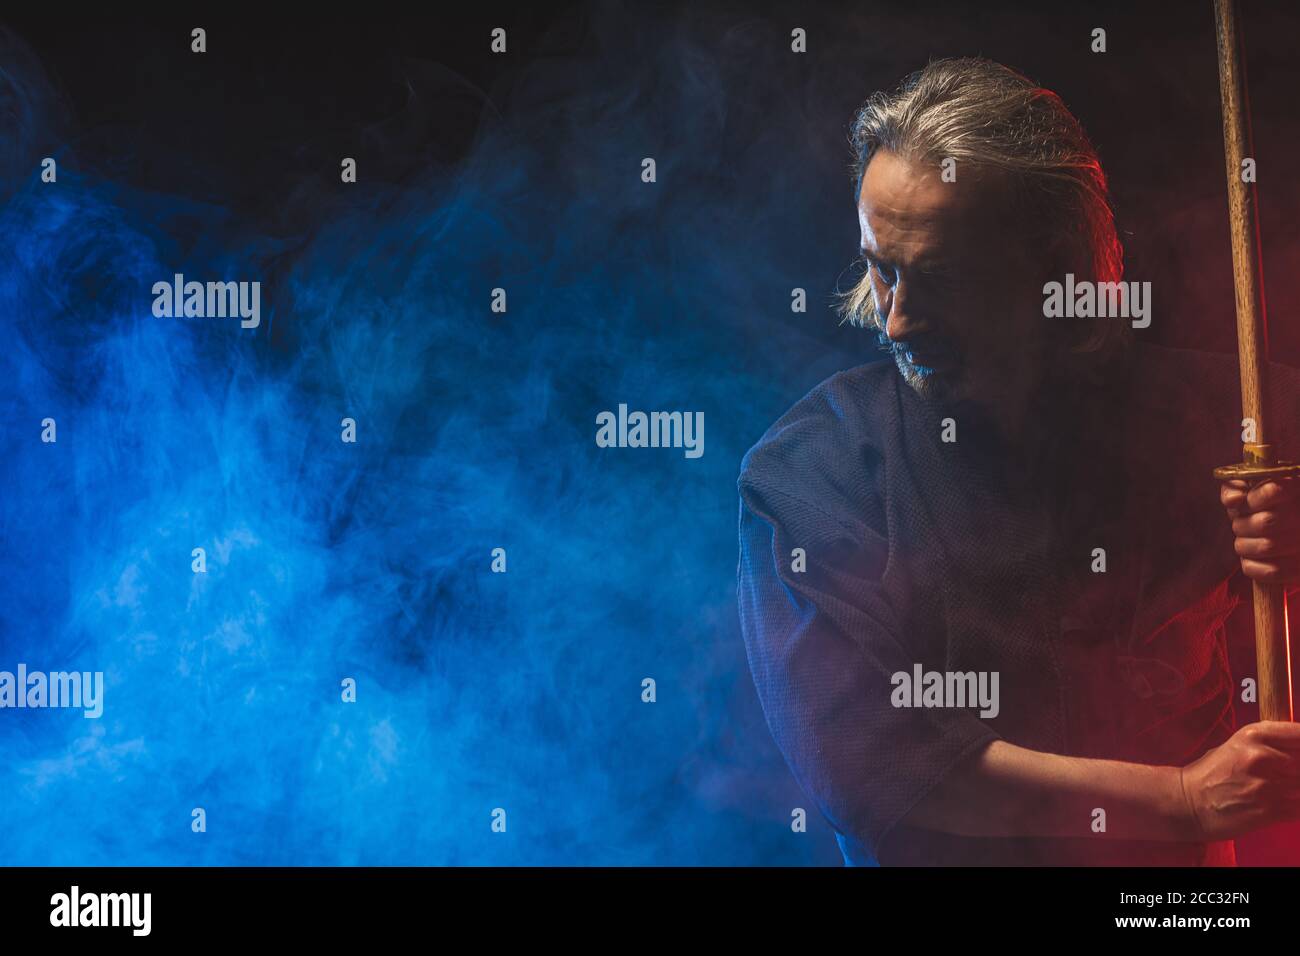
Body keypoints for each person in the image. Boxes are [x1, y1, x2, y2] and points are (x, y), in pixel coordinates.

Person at [736, 57, 1300, 866]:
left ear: (1056, 267)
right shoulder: (810, 475)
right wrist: (1178, 800)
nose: (895, 321)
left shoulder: (1234, 422)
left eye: (939, 279)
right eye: (880, 267)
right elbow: (869, 769)